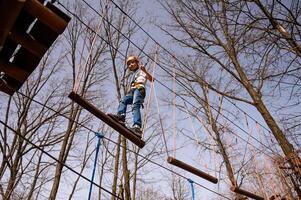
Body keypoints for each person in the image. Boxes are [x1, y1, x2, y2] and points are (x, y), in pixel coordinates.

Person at [109, 55, 154, 137]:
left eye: (132, 62)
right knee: (123, 100)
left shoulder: (142, 71)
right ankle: (121, 116)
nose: (131, 65)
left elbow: (152, 79)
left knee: (135, 105)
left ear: (137, 63)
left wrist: (145, 71)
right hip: (133, 91)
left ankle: (137, 127)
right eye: (129, 64)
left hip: (139, 89)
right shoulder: (134, 74)